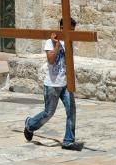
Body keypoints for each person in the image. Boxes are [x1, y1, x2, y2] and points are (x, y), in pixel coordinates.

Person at [23, 18, 84, 151]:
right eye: (65, 29)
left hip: (65, 84)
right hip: (52, 84)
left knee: (71, 110)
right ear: (60, 27)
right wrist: (57, 44)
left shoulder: (70, 42)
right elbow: (51, 60)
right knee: (48, 113)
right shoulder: (50, 42)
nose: (68, 32)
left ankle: (68, 141)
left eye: (72, 30)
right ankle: (30, 124)